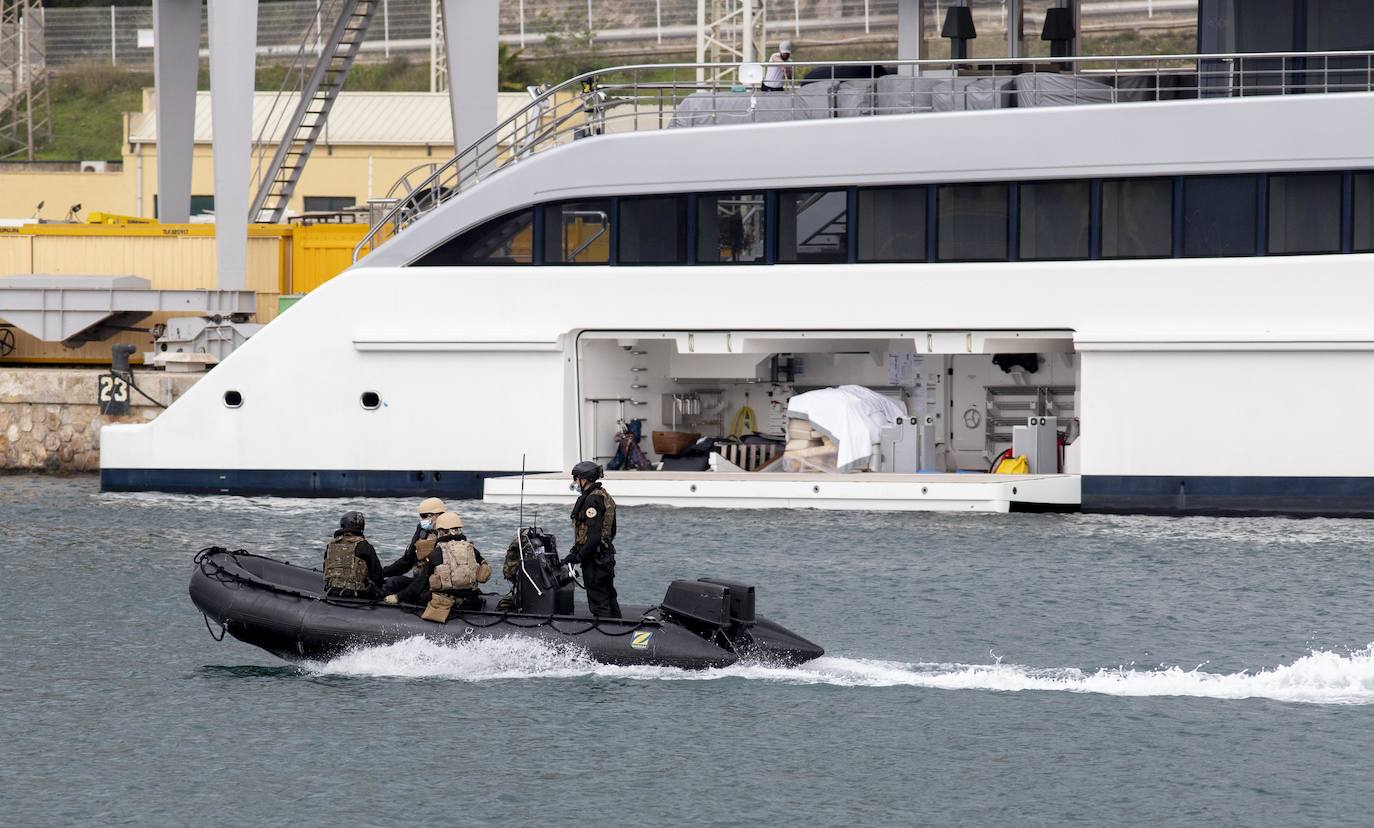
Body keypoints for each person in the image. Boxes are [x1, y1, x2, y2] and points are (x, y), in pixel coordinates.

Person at [385, 512, 491, 622]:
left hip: (444, 601)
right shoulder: (472, 550)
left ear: (441, 531)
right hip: (472, 600)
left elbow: (420, 582)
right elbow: (484, 572)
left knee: (419, 594)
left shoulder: (437, 553)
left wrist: (399, 597)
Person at [561, 461, 621, 618]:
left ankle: (606, 637)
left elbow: (593, 537)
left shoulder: (591, 501)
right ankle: (618, 630)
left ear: (584, 479)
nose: (575, 483)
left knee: (598, 601)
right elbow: (609, 531)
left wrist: (580, 556)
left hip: (595, 561)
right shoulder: (604, 496)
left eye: (576, 479)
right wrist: (575, 551)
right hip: (605, 556)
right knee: (609, 597)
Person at [381, 496, 445, 594]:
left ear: (437, 515)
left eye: (424, 516)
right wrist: (382, 573)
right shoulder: (422, 531)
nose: (421, 519)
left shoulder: (448, 536)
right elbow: (407, 560)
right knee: (391, 583)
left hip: (437, 585)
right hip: (419, 581)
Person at [323, 511, 383, 598]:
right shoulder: (364, 545)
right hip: (357, 595)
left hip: (332, 592)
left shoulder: (330, 545)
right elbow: (377, 576)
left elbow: (325, 569)